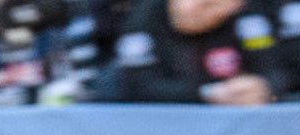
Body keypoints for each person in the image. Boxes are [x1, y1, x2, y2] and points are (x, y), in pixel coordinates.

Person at [114, 0, 288, 103]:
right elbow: (138, 87)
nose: (214, 11)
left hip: (238, 115)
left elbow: (275, 71)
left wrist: (262, 88)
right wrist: (208, 93)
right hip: (173, 117)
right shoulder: (143, 21)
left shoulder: (247, 18)